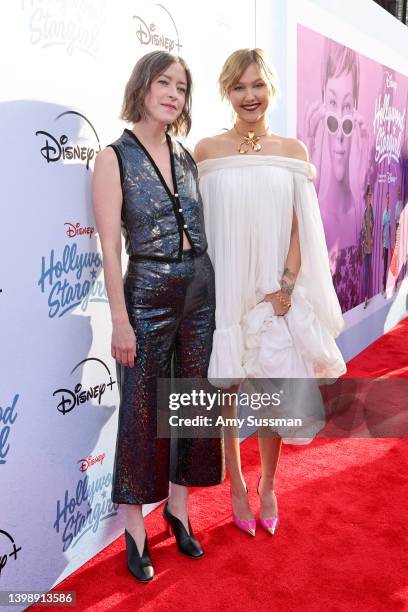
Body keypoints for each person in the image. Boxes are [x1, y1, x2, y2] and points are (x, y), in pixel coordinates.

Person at [194, 48, 346, 538]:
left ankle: (269, 487)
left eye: (257, 85)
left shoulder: (292, 151)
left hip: (274, 287)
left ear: (271, 88)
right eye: (238, 87)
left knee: (272, 389)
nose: (249, 96)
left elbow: (304, 228)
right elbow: (201, 226)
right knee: (232, 388)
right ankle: (236, 485)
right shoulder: (207, 152)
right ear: (226, 92)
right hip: (226, 283)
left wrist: (285, 286)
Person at [92, 50, 223, 581]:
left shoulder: (186, 155)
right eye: (164, 83)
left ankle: (179, 509)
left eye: (183, 87)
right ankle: (134, 527)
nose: (174, 94)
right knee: (142, 408)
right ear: (142, 87)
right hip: (145, 290)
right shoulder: (112, 157)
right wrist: (120, 320)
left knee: (192, 396)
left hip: (199, 286)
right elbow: (108, 250)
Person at [303, 39, 369, 312]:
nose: (340, 133)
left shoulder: (358, 211)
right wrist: (309, 145)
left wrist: (363, 166)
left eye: (347, 107)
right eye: (332, 104)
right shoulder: (313, 209)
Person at [361, 185, 374, 308]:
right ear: (366, 197)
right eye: (368, 196)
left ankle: (368, 296)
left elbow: (373, 227)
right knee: (365, 273)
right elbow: (363, 230)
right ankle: (365, 298)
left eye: (371, 196)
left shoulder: (373, 211)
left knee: (369, 272)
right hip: (366, 248)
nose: (369, 198)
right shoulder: (365, 211)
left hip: (371, 247)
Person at [382, 191, 392, 296]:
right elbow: (382, 230)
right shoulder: (384, 213)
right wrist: (382, 248)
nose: (388, 200)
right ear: (385, 200)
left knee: (387, 266)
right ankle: (384, 288)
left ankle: (385, 285)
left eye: (389, 199)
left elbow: (389, 228)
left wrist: (391, 243)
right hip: (384, 245)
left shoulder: (390, 212)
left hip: (388, 244)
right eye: (387, 199)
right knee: (384, 267)